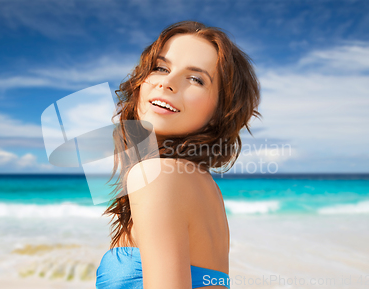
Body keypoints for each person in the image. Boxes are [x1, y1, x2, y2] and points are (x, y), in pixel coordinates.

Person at [96, 20, 261, 289]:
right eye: (160, 68)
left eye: (196, 79)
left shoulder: (155, 176)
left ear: (221, 110)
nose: (167, 83)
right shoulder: (204, 187)